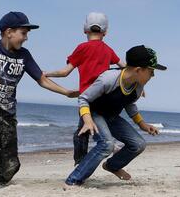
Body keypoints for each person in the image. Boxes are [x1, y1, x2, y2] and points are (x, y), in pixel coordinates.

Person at [0, 12, 78, 189]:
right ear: (9, 32)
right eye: (23, 33)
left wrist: (66, 92)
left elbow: (42, 79)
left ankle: (1, 181)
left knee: (12, 166)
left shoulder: (24, 55)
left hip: (7, 113)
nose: (26, 38)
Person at [65, 45, 165, 187]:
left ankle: (112, 166)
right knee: (106, 144)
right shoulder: (108, 79)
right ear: (138, 70)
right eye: (151, 71)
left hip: (111, 117)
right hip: (93, 113)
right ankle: (73, 180)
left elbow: (129, 104)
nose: (153, 75)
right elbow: (83, 98)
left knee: (138, 144)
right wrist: (87, 120)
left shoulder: (138, 85)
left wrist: (142, 124)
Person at [43, 12, 125, 165]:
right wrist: (136, 82)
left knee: (82, 133)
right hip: (104, 96)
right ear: (105, 32)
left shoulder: (82, 48)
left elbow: (65, 72)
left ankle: (82, 163)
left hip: (87, 98)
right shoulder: (108, 50)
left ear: (84, 29)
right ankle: (110, 145)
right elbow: (124, 67)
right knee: (86, 129)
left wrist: (47, 73)